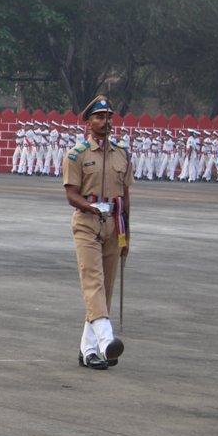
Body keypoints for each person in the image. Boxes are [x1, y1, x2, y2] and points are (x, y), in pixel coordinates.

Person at [63, 95, 132, 370]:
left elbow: (125, 197)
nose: (105, 122)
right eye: (99, 117)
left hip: (115, 226)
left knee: (105, 291)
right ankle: (106, 341)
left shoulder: (122, 153)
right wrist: (92, 208)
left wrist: (128, 234)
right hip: (87, 223)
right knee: (93, 282)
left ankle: (88, 350)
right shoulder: (77, 154)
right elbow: (71, 194)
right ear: (89, 121)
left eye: (109, 117)